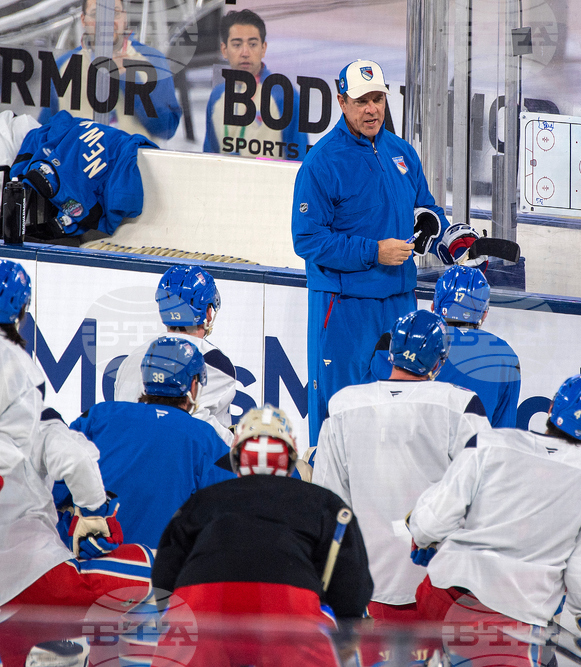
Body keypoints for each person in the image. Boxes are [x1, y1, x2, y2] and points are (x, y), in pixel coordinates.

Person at [291, 58, 481, 448]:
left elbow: (424, 209)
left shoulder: (402, 153)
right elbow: (307, 240)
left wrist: (440, 233)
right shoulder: (321, 162)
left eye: (377, 98)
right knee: (338, 413)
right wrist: (373, 252)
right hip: (344, 307)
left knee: (399, 418)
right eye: (361, 101)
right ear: (342, 102)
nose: (371, 109)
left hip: (399, 303)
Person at [407, 373, 581, 667]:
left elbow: (433, 522)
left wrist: (423, 538)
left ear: (550, 409)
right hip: (513, 619)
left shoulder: (489, 443)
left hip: (444, 595)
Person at [0, 260, 153, 667]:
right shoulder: (20, 380)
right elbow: (70, 455)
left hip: (16, 592)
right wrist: (94, 510)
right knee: (159, 569)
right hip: (27, 571)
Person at [152, 405, 373, 667]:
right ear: (290, 459)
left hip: (202, 604)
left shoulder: (202, 501)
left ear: (236, 459)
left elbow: (166, 570)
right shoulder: (325, 502)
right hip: (289, 605)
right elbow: (351, 581)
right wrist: (345, 626)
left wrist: (171, 617)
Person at [311, 309, 491, 628]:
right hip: (439, 582)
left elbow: (328, 503)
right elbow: (485, 498)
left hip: (365, 581)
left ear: (391, 352)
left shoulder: (343, 406)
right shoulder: (461, 405)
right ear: (440, 360)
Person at [71, 335, 235, 546]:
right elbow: (233, 505)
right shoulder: (203, 437)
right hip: (161, 570)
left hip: (95, 568)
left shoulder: (97, 417)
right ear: (192, 384)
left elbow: (55, 481)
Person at [368, 265, 521, 427]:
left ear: (434, 306)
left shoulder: (399, 338)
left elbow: (368, 404)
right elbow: (503, 432)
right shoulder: (506, 356)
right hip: (471, 450)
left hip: (406, 447)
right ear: (484, 314)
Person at [114, 264, 238, 445]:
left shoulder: (131, 358)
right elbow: (197, 427)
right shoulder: (215, 361)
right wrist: (236, 442)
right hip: (178, 461)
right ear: (208, 313)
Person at [38, 0, 181, 141]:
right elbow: (45, 133)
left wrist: (129, 79)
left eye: (115, 13)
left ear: (125, 17)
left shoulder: (152, 60)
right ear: (83, 20)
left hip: (134, 161)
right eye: (96, 14)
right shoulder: (63, 65)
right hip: (80, 162)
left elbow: (167, 129)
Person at [204, 10, 308, 160]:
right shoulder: (217, 96)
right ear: (224, 50)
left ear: (263, 48)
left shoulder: (283, 95)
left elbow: (300, 159)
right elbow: (208, 158)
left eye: (252, 44)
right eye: (237, 44)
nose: (245, 52)